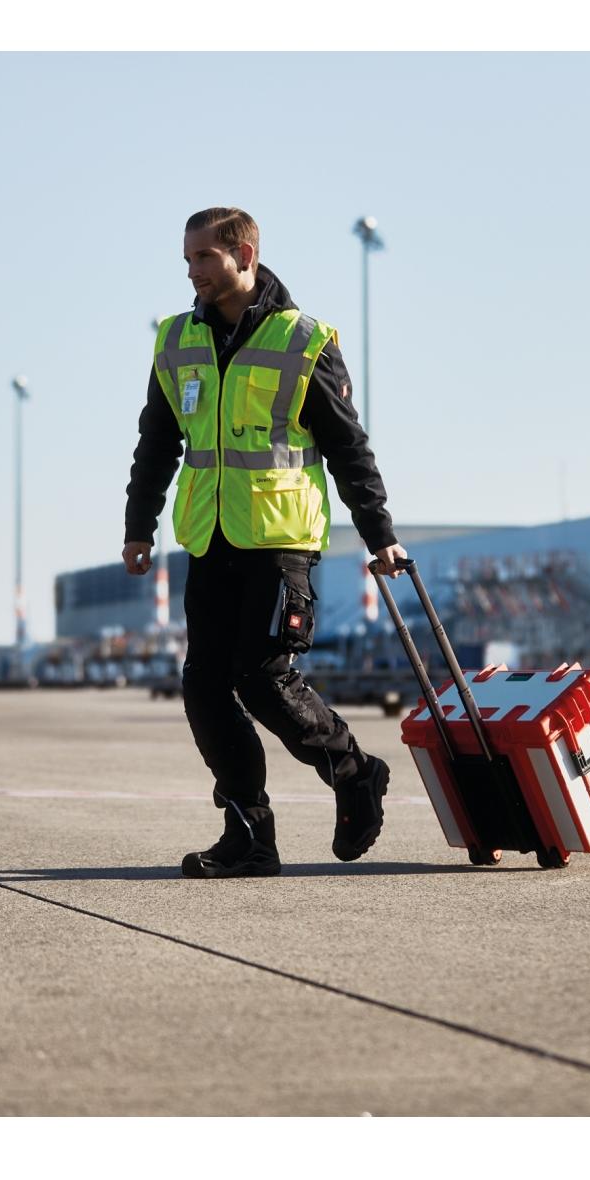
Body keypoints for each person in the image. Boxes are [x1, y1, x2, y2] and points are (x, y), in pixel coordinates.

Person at [123, 207, 408, 879]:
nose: (192, 272)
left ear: (244, 255)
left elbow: (348, 448)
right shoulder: (177, 340)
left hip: (280, 543)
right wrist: (139, 525)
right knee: (203, 688)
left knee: (262, 679)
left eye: (204, 258)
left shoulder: (303, 341)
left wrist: (380, 535)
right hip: (209, 539)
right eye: (187, 259)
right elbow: (158, 442)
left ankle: (353, 771)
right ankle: (249, 835)